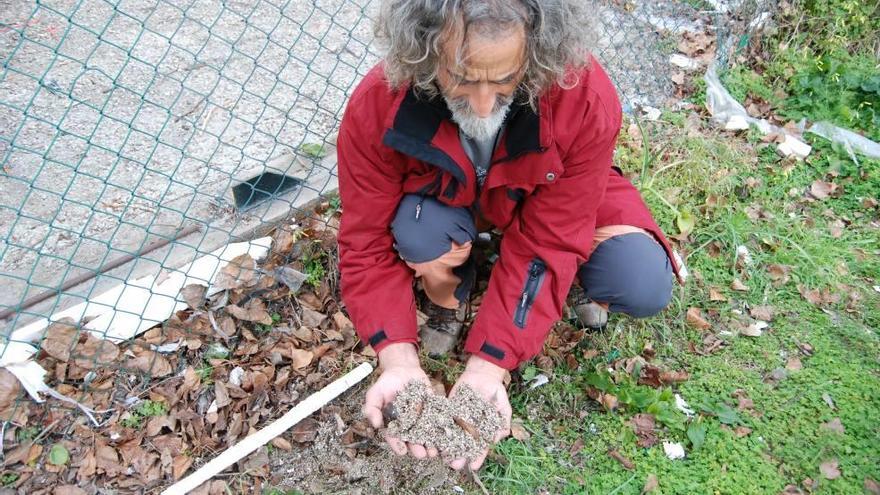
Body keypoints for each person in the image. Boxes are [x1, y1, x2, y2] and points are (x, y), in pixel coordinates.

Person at [336, 0, 681, 471]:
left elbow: (551, 241)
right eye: (460, 76)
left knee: (640, 279)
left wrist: (488, 367)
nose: (481, 104)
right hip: (449, 198)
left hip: (547, 193)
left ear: (538, 53)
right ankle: (452, 287)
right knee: (419, 233)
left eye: (503, 80)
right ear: (424, 48)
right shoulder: (379, 103)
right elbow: (365, 243)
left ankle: (560, 286)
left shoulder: (580, 93)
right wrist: (395, 359)